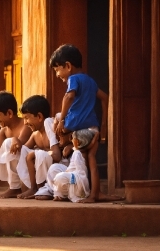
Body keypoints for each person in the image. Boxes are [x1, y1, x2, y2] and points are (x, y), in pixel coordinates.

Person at [50, 43, 120, 203]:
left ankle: (77, 190)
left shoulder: (73, 79)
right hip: (92, 129)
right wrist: (103, 125)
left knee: (57, 124)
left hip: (79, 129)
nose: (57, 74)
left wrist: (61, 121)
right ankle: (96, 193)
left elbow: (68, 97)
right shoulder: (90, 81)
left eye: (57, 70)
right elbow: (105, 98)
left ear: (67, 66)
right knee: (91, 160)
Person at [11, 95, 61, 199]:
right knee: (23, 150)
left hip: (58, 171)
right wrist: (15, 140)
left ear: (39, 116)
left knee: (39, 154)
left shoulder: (50, 125)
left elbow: (57, 156)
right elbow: (22, 150)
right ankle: (31, 187)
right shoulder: (35, 135)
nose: (25, 123)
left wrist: (38, 153)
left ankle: (42, 189)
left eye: (27, 118)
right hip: (45, 173)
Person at [35, 129, 95, 202]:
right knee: (54, 168)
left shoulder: (77, 154)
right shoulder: (77, 151)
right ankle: (59, 194)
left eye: (73, 139)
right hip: (73, 177)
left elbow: (81, 172)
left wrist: (67, 174)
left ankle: (65, 195)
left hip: (78, 182)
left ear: (78, 142)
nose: (71, 141)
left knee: (60, 177)